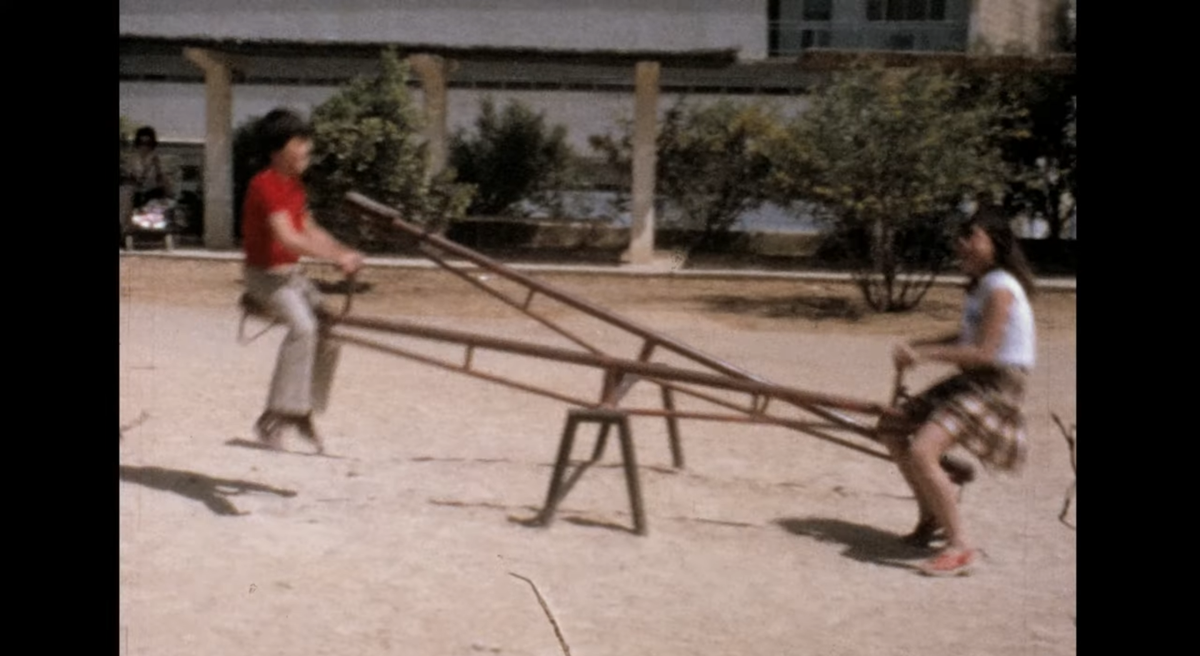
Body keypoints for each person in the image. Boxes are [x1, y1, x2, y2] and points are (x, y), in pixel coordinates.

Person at [877, 206, 1037, 577]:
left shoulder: (1000, 287)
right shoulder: (983, 286)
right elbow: (966, 338)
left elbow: (984, 352)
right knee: (891, 427)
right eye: (961, 237)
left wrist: (924, 354)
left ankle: (961, 546)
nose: (963, 244)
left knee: (922, 450)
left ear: (996, 243)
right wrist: (917, 345)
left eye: (973, 237)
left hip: (997, 383)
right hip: (974, 378)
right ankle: (932, 513)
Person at [241, 108, 364, 452]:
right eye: (301, 142)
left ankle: (301, 409)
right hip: (264, 278)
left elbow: (309, 229)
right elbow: (288, 239)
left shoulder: (293, 186)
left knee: (330, 332)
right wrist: (336, 257)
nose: (308, 148)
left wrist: (343, 252)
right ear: (280, 150)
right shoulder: (264, 185)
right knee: (303, 329)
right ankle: (274, 416)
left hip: (290, 276)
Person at [122, 126, 174, 208]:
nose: (144, 147)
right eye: (141, 143)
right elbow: (127, 179)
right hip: (135, 197)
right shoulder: (131, 160)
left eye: (148, 143)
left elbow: (165, 182)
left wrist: (158, 169)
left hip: (153, 197)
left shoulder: (158, 160)